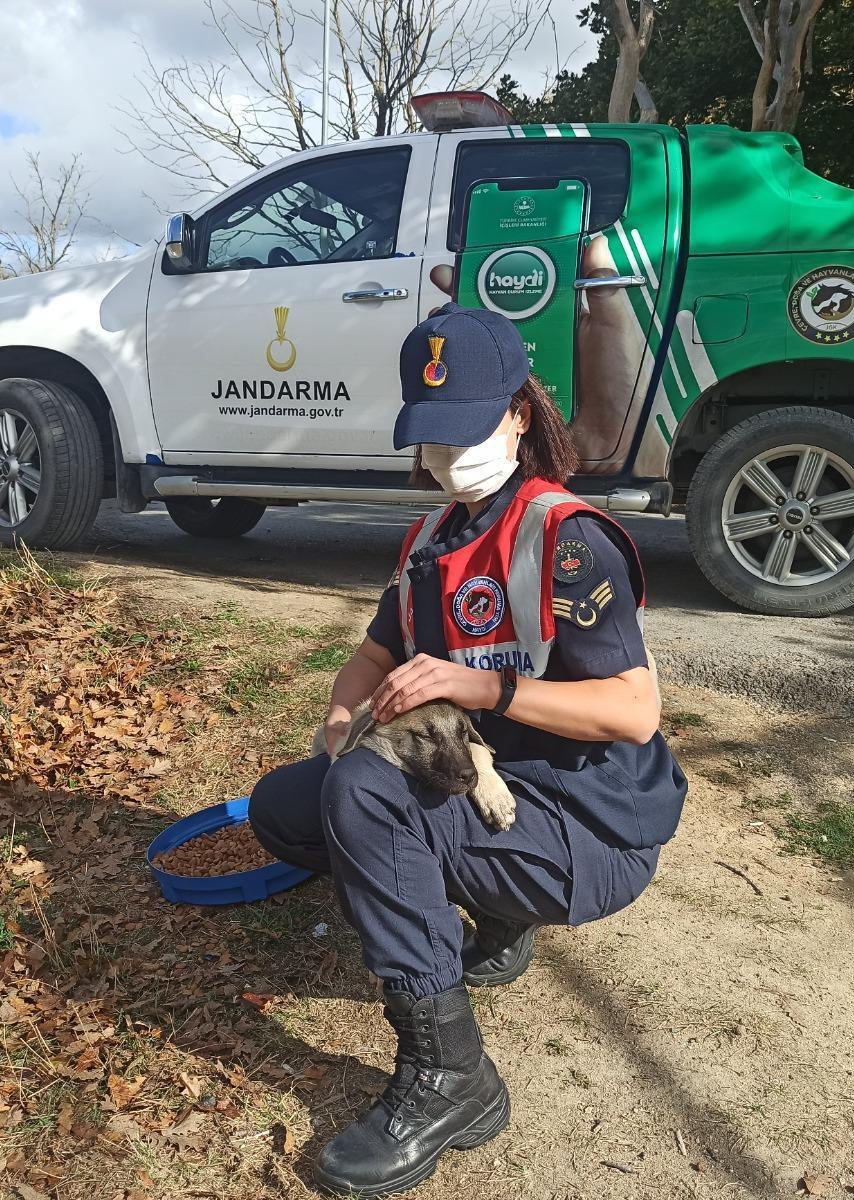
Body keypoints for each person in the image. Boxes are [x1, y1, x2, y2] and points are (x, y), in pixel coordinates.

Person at [249, 303, 687, 1197]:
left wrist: (482, 685)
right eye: (433, 435)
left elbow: (635, 711)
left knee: (366, 805)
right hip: (484, 791)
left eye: (468, 429)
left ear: (519, 416)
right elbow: (371, 656)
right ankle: (495, 914)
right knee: (290, 807)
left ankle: (453, 1076)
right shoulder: (432, 539)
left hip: (587, 828)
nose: (449, 455)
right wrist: (340, 728)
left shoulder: (567, 539)